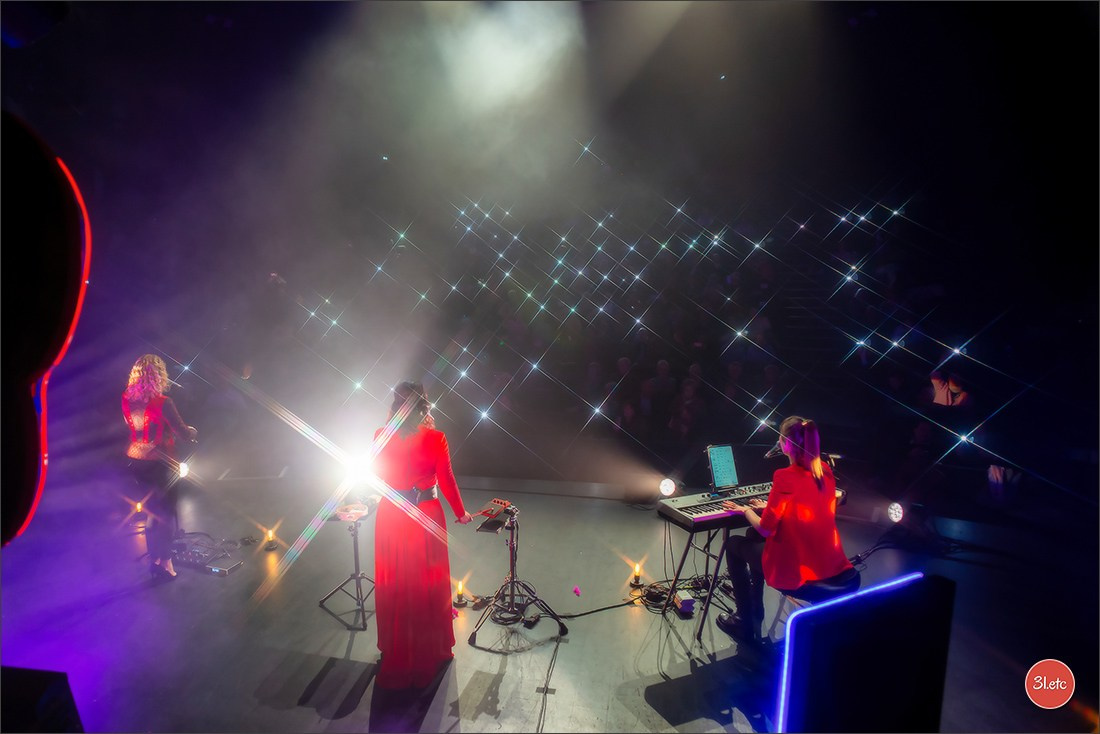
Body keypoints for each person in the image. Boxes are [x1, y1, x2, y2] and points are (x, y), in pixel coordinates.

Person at [716, 416, 858, 643]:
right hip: (830, 565)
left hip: (797, 572)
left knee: (734, 544)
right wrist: (769, 506)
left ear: (786, 443)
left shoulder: (784, 477)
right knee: (751, 539)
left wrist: (744, 510)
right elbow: (807, 504)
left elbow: (765, 530)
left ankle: (745, 620)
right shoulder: (824, 471)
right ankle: (755, 614)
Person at [371, 381, 474, 689]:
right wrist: (461, 513)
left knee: (395, 581)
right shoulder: (436, 437)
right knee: (426, 581)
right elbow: (447, 480)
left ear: (393, 406)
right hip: (425, 517)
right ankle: (430, 648)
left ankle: (396, 646)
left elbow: (376, 474)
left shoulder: (380, 435)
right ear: (424, 407)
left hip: (390, 516)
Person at [121, 354, 197, 579]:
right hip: (160, 463)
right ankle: (166, 563)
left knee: (152, 513)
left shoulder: (126, 397)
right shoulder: (163, 402)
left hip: (135, 460)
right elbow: (183, 433)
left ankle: (154, 560)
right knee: (165, 514)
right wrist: (192, 432)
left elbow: (135, 424)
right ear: (159, 376)